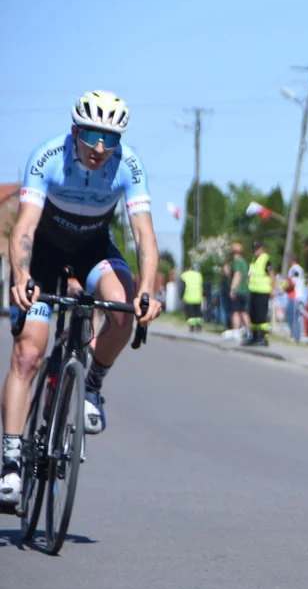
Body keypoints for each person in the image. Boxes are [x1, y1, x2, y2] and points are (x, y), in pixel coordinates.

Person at [2, 90, 163, 506]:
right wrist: (21, 275)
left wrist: (148, 289)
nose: (100, 147)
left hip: (93, 248)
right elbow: (24, 228)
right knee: (28, 355)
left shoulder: (128, 164)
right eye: (92, 135)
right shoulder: (47, 157)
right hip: (43, 254)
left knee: (124, 311)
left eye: (110, 138)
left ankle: (92, 386)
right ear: (75, 131)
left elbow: (145, 235)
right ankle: (12, 459)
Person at [244, 241, 272, 346]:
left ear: (261, 248)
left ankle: (263, 338)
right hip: (253, 290)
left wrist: (273, 289)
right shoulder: (254, 260)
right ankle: (254, 336)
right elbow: (250, 275)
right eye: (254, 249)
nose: (255, 251)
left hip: (263, 291)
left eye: (257, 249)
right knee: (253, 315)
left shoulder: (266, 259)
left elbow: (271, 274)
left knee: (261, 316)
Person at [229, 242, 250, 340]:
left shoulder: (236, 262)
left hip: (238, 290)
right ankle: (249, 331)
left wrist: (233, 288)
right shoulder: (244, 262)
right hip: (246, 290)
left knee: (235, 312)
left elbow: (237, 275)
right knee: (244, 312)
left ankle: (236, 332)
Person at [180, 264, 205, 333]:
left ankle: (192, 328)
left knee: (191, 313)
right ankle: (199, 327)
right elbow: (202, 285)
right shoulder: (199, 275)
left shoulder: (184, 275)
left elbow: (182, 287)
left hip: (189, 296)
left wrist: (181, 296)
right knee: (198, 313)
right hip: (198, 297)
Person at [286, 256, 305, 342]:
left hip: (294, 296)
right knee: (296, 317)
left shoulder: (293, 269)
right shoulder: (300, 269)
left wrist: (285, 287)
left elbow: (292, 283)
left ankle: (295, 336)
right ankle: (296, 335)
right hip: (299, 296)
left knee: (291, 317)